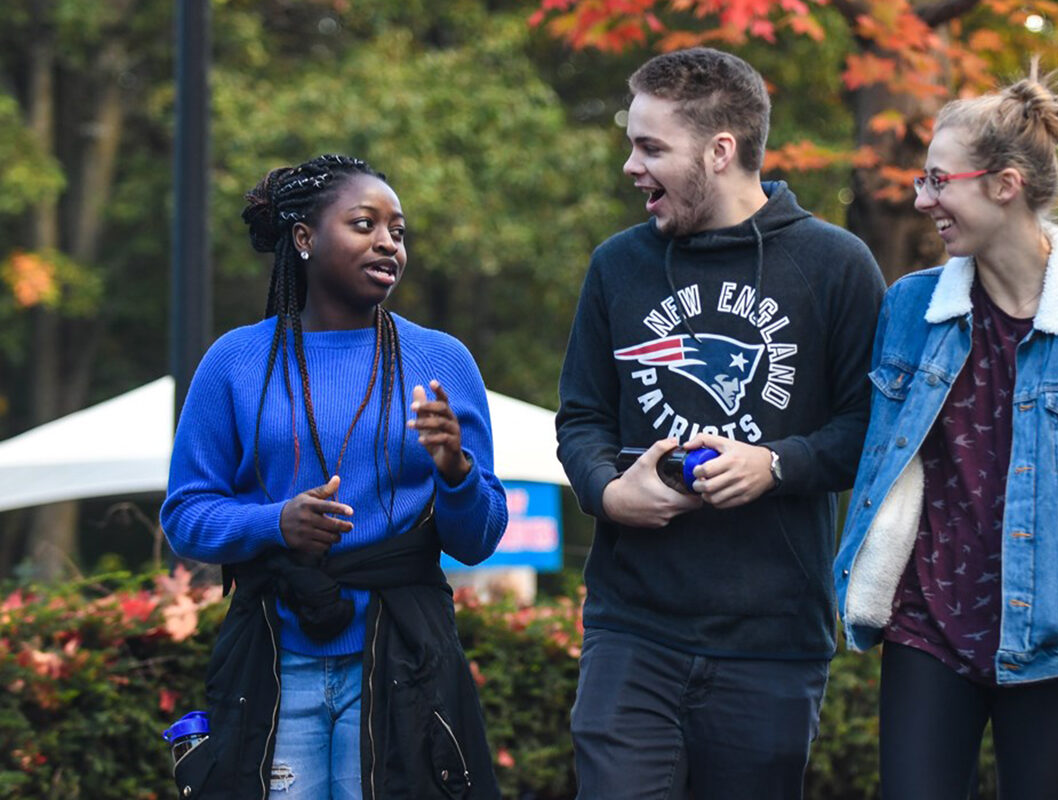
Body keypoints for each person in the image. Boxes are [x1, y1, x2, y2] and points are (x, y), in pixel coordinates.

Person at [833, 63, 1058, 799]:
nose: (922, 199)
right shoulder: (911, 307)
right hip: (926, 628)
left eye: (940, 181)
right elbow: (872, 444)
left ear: (1004, 184)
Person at [554, 48, 885, 800]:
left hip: (773, 640)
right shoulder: (617, 266)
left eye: (650, 147)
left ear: (720, 150)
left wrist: (777, 465)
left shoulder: (837, 265)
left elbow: (872, 427)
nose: (631, 167)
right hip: (631, 628)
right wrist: (609, 492)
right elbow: (581, 418)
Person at [161, 154, 509, 798]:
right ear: (303, 239)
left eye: (397, 231)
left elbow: (478, 538)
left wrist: (455, 469)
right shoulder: (235, 361)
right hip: (273, 656)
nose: (387, 243)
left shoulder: (442, 360)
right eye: (364, 224)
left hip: (402, 662)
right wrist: (276, 523)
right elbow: (184, 517)